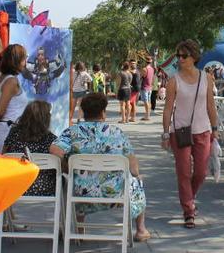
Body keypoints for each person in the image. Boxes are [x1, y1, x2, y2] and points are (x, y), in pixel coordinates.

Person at [50, 93, 151, 242]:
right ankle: (141, 230)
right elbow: (133, 168)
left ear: (83, 112)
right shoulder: (116, 133)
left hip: (81, 193)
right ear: (103, 112)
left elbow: (54, 150)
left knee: (77, 178)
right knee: (137, 181)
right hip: (114, 193)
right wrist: (136, 175)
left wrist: (68, 166)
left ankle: (79, 230)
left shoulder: (72, 132)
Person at [161, 39, 218, 229]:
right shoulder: (173, 80)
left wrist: (215, 129)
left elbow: (211, 105)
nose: (180, 59)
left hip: (203, 130)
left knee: (201, 172)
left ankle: (190, 199)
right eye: (178, 55)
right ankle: (189, 211)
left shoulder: (206, 78)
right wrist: (165, 133)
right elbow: (168, 109)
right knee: (184, 172)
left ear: (194, 57)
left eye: (183, 56)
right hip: (181, 132)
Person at [3, 100, 57, 196]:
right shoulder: (51, 139)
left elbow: (4, 155)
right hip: (44, 188)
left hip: (16, 187)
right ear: (46, 119)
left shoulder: (14, 134)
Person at [0, 44, 29, 152]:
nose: (25, 63)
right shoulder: (11, 82)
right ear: (17, 60)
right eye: (24, 59)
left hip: (4, 129)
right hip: (8, 131)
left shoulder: (1, 79)